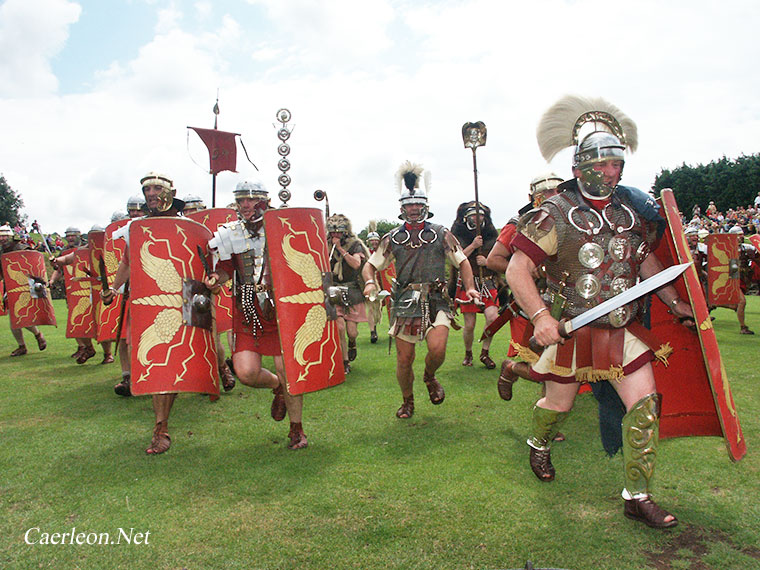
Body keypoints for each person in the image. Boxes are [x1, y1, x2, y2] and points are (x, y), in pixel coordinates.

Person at [506, 95, 693, 528]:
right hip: (574, 330)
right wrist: (540, 317)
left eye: (616, 165)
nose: (611, 173)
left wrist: (674, 302)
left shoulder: (629, 213)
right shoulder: (552, 214)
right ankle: (539, 441)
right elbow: (518, 270)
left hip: (620, 329)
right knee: (558, 404)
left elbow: (645, 262)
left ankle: (637, 496)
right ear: (579, 168)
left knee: (645, 404)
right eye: (602, 165)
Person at [362, 161, 479, 419]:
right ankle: (407, 400)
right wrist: (370, 281)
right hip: (405, 300)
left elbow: (463, 262)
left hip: (437, 299)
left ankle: (429, 376)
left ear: (425, 207)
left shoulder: (441, 234)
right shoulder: (391, 238)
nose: (414, 209)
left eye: (418, 205)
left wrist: (469, 288)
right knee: (404, 359)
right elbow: (370, 266)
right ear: (402, 208)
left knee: (437, 349)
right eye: (409, 206)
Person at [204, 180, 307, 449]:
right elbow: (226, 268)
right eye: (240, 201)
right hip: (247, 307)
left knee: (288, 370)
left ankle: (296, 429)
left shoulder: (282, 227)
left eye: (250, 200)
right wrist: (216, 278)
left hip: (282, 308)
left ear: (264, 200)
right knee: (247, 373)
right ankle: (277, 388)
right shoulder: (231, 233)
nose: (245, 205)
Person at [102, 172, 189, 454]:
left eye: (156, 188)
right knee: (154, 362)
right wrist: (114, 289)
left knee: (173, 361)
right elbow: (127, 262)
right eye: (146, 188)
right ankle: (161, 428)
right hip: (147, 303)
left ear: (169, 191)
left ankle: (219, 373)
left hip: (179, 302)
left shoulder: (186, 226)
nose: (150, 193)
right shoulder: (137, 228)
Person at [487, 173, 562, 401]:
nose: (553, 197)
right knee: (539, 366)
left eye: (557, 192)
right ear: (534, 197)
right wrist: (525, 268)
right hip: (529, 302)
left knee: (561, 363)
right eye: (546, 193)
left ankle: (552, 409)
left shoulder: (569, 219)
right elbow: (494, 259)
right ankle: (511, 368)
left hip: (563, 300)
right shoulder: (519, 223)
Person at [49, 226, 113, 364]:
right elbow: (66, 260)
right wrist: (56, 261)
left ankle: (108, 354)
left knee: (102, 321)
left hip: (102, 290)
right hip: (83, 290)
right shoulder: (82, 250)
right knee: (79, 320)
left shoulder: (110, 247)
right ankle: (89, 348)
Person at [450, 201, 499, 369]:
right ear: (466, 218)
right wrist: (473, 246)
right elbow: (457, 258)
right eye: (473, 216)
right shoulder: (459, 236)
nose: (477, 219)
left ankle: (485, 352)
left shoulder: (491, 236)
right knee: (469, 325)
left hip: (488, 282)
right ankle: (468, 352)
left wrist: (487, 262)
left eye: (480, 216)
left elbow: (499, 258)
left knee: (493, 318)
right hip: (468, 284)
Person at [327, 213, 368, 374]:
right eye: (332, 232)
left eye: (338, 232)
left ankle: (352, 343)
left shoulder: (355, 244)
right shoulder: (324, 245)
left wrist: (340, 249)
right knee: (339, 327)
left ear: (345, 231)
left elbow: (357, 264)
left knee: (351, 332)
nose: (335, 235)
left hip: (352, 291)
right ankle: (344, 361)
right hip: (334, 289)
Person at [0, 225, 48, 356]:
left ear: (10, 236)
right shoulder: (1, 252)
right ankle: (22, 346)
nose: (2, 238)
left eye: (5, 236)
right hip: (10, 287)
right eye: (0, 236)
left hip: (26, 286)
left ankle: (38, 335)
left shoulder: (21, 248)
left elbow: (33, 263)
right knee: (14, 319)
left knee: (22, 316)